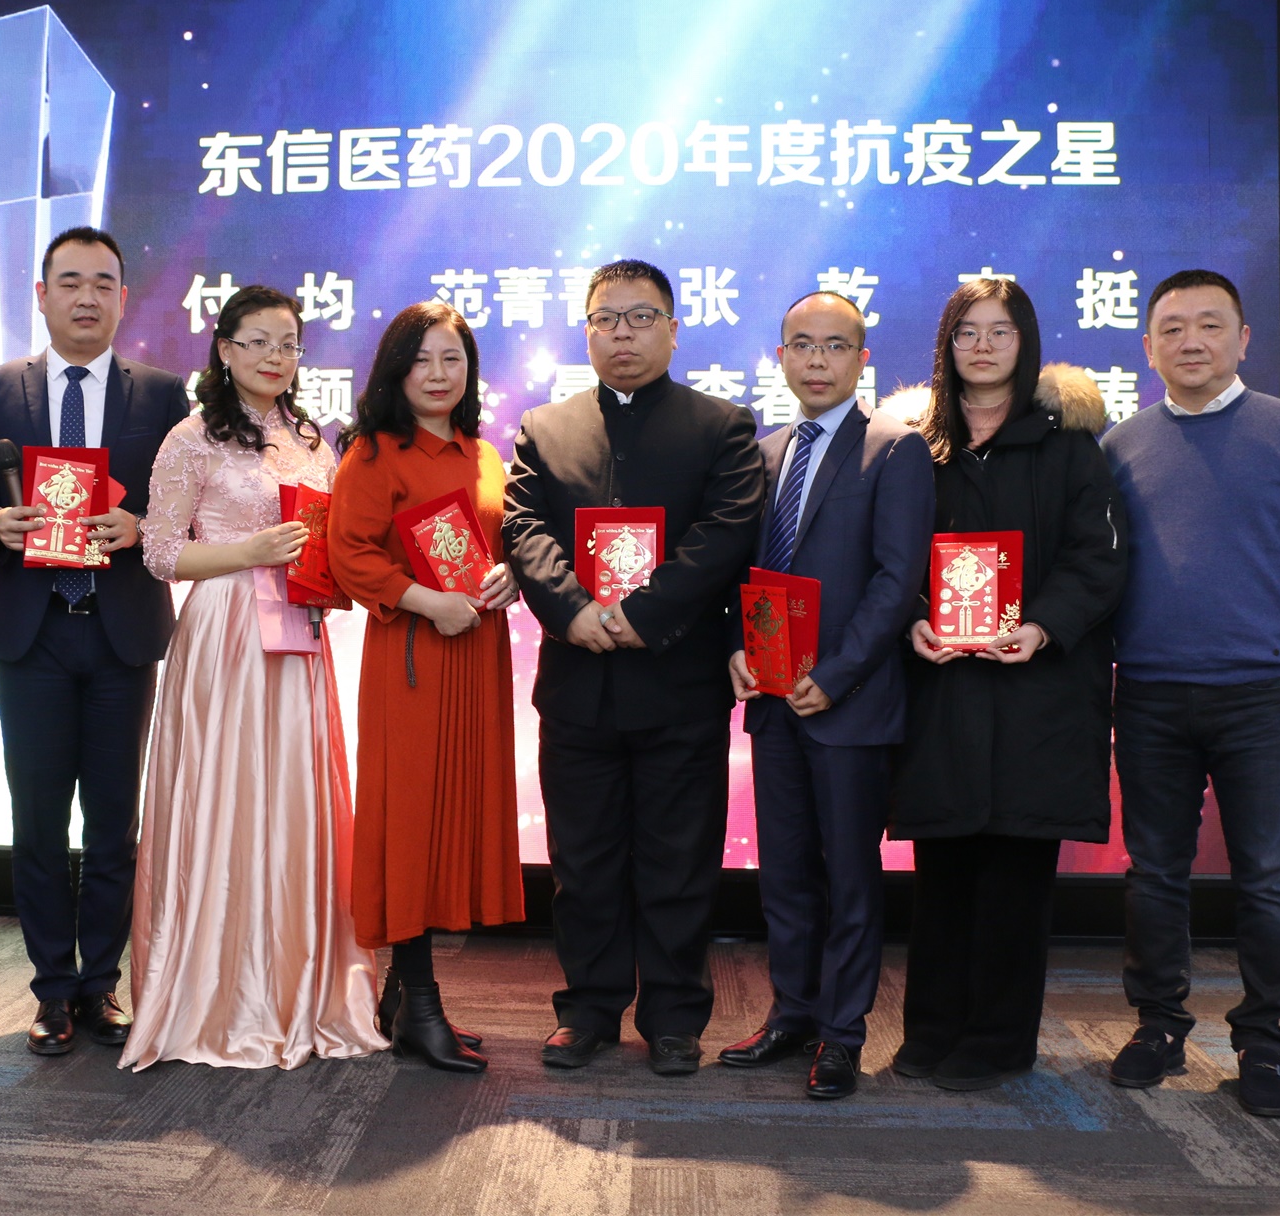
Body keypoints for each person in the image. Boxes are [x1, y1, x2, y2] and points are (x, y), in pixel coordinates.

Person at [1101, 270, 1280, 1118]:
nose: (1191, 341)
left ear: (1243, 339)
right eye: (1172, 328)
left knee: (1270, 878)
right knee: (1155, 874)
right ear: (1148, 347)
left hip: (1261, 696)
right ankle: (1158, 1024)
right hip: (1148, 694)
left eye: (1210, 325)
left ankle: (1263, 1041)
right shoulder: (1121, 445)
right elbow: (1099, 575)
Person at [503, 259, 764, 1076]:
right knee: (582, 863)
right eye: (606, 319)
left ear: (673, 330)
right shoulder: (545, 428)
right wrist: (574, 610)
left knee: (679, 861)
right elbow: (523, 529)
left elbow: (723, 537)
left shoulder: (721, 426)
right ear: (586, 331)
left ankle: (676, 1017)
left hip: (678, 684)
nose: (623, 334)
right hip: (577, 683)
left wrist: (641, 616)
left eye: (641, 317)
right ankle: (587, 1010)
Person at [121, 285, 384, 1071]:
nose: (276, 356)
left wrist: (330, 577)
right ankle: (215, 993)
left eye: (289, 343)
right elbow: (160, 552)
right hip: (225, 630)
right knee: (224, 797)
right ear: (225, 349)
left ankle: (300, 985)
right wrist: (249, 553)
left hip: (297, 629)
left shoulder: (311, 439)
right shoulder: (191, 437)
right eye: (259, 341)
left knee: (295, 800)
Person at [886, 279, 1127, 1091]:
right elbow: (887, 556)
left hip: (1036, 690)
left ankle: (996, 1041)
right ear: (945, 347)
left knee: (1014, 874)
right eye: (967, 332)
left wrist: (1043, 625)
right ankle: (931, 1030)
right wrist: (913, 617)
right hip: (943, 687)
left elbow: (1100, 560)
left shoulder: (1069, 449)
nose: (983, 347)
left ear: (1026, 344)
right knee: (944, 866)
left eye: (1001, 331)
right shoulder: (916, 450)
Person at [0, 226, 190, 1056]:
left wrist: (142, 525)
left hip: (121, 630)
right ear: (42, 295)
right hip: (34, 632)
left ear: (123, 299)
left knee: (115, 823)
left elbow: (185, 508)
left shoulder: (162, 394)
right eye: (70, 282)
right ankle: (52, 989)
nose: (86, 297)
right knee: (38, 820)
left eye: (102, 284)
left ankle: (102, 985)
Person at [720, 291, 934, 1099]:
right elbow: (741, 574)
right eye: (802, 345)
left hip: (851, 704)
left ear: (862, 358)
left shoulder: (894, 449)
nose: (817, 360)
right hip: (773, 700)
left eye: (835, 345)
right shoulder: (765, 453)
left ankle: (842, 1035)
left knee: (848, 877)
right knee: (783, 875)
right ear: (780, 358)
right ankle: (792, 1014)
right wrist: (736, 649)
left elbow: (896, 581)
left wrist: (836, 675)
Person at [326, 301, 524, 1074]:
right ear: (395, 371)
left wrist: (508, 578)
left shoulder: (484, 454)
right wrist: (425, 601)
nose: (438, 375)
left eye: (453, 359)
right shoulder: (375, 454)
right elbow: (350, 555)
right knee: (410, 822)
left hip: (476, 655)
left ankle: (402, 1003)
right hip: (413, 655)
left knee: (452, 819)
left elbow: (499, 543)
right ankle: (424, 1005)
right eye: (422, 360)